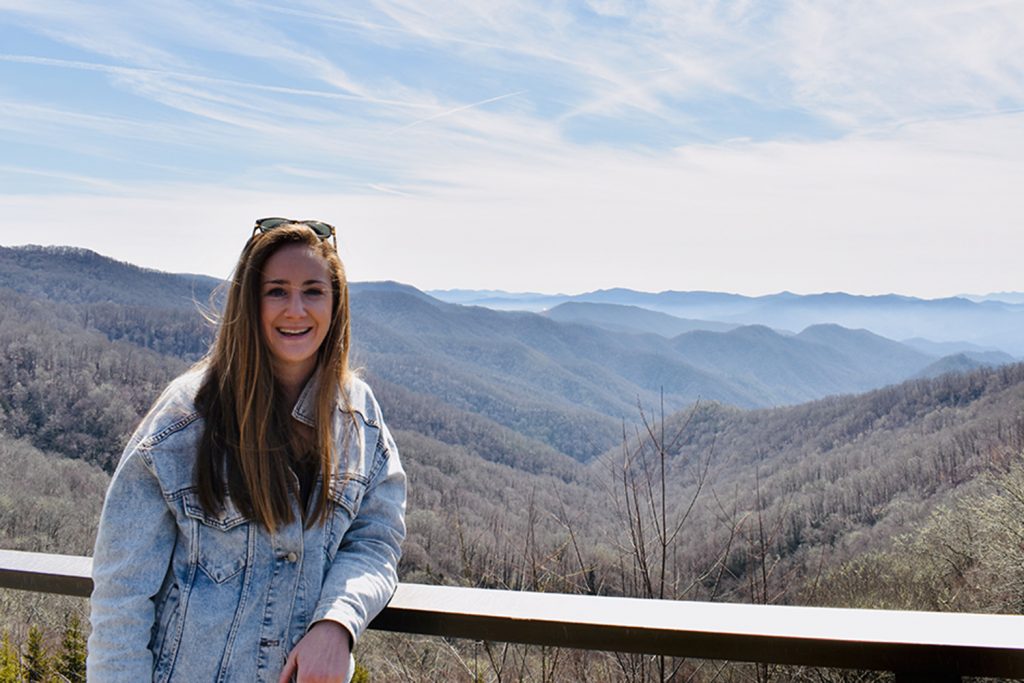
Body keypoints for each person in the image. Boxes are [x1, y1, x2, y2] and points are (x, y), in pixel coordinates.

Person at [87, 219, 406, 682]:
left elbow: (376, 539)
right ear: (249, 302)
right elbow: (122, 598)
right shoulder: (185, 423)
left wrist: (337, 621)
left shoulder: (357, 417)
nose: (296, 309)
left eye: (313, 291)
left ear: (335, 304)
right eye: (276, 291)